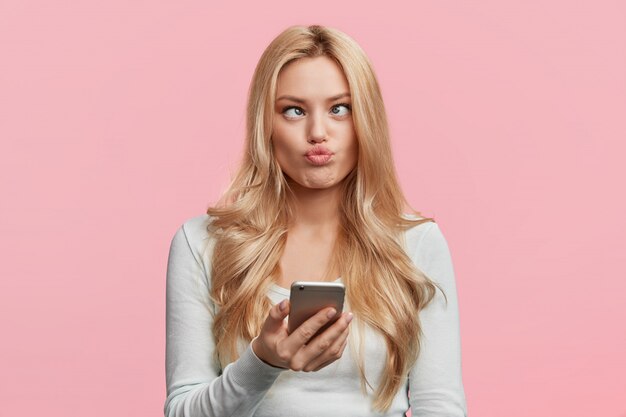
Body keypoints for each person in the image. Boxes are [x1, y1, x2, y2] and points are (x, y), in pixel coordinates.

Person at [164, 25, 467, 417]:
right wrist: (262, 362)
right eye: (294, 110)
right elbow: (182, 411)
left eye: (339, 108)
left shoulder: (416, 243)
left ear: (366, 121)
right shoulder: (202, 244)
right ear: (265, 125)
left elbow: (440, 407)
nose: (318, 133)